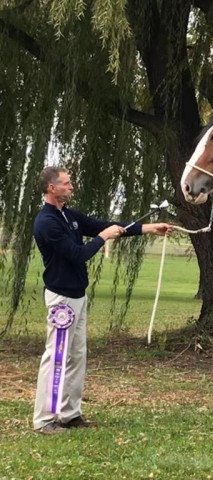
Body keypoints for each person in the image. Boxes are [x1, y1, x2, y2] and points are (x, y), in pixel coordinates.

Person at [32, 166, 173, 434]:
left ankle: (70, 414)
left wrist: (148, 228)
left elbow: (103, 225)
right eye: (66, 183)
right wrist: (102, 238)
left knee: (77, 356)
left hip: (78, 295)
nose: (71, 186)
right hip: (61, 299)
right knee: (57, 357)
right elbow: (78, 254)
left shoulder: (68, 215)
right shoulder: (46, 222)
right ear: (52, 188)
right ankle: (44, 420)